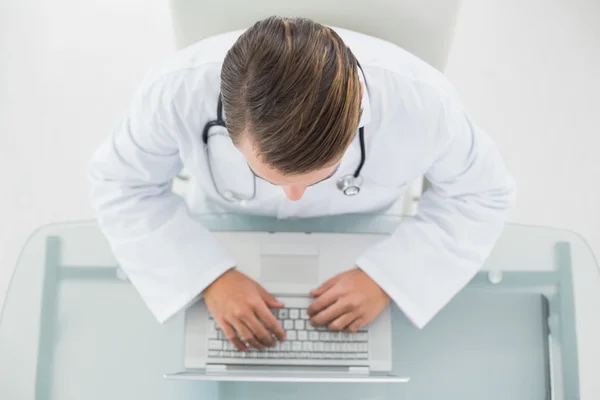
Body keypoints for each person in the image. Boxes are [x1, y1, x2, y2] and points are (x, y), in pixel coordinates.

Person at [87, 16, 515, 351]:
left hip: (362, 237)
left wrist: (390, 277)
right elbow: (122, 184)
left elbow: (482, 193)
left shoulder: (424, 102)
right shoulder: (175, 90)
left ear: (357, 121)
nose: (291, 196)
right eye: (262, 175)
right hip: (225, 229)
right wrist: (205, 276)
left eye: (324, 176)